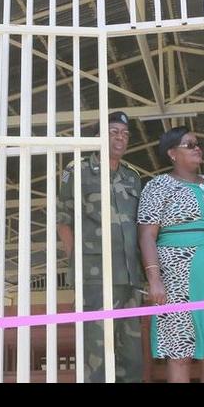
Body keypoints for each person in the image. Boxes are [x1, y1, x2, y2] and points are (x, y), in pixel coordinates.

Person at [137, 127, 204, 383]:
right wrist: (154, 279)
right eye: (190, 145)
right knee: (180, 351)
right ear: (172, 153)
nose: (198, 148)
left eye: (198, 144)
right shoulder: (158, 185)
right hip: (178, 280)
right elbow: (147, 235)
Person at [57, 111, 144, 382]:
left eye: (125, 134)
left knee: (132, 356)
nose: (120, 138)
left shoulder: (132, 176)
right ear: (98, 136)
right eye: (114, 132)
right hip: (95, 276)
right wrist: (78, 264)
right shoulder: (77, 170)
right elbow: (64, 222)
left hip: (130, 276)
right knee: (96, 354)